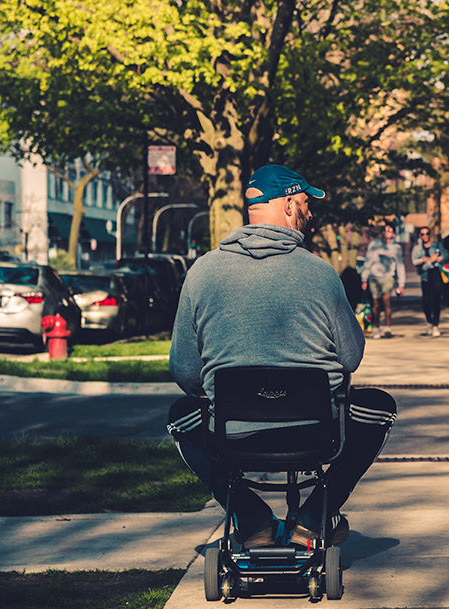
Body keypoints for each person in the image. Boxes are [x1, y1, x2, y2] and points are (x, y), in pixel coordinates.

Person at [169, 164, 397, 550]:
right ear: (290, 205)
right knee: (379, 407)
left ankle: (252, 519)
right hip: (314, 432)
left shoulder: (202, 271)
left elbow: (185, 370)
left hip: (231, 434)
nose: (310, 213)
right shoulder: (321, 274)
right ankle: (314, 518)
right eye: (306, 203)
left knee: (180, 417)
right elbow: (352, 356)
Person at [360, 222, 406, 338]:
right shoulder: (374, 244)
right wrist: (364, 278)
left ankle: (388, 327)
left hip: (388, 277)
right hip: (374, 277)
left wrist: (401, 284)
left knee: (386, 301)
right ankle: (376, 327)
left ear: (394, 234)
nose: (386, 232)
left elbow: (400, 265)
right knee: (375, 304)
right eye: (385, 230)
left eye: (389, 230)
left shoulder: (396, 248)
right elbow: (368, 261)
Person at [411, 226, 449, 337]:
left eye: (427, 233)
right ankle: (429, 322)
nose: (425, 236)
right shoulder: (417, 249)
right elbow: (415, 262)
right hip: (425, 277)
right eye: (422, 234)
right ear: (420, 236)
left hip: (436, 275)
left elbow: (445, 255)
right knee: (426, 301)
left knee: (436, 300)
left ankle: (435, 325)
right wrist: (429, 261)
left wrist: (432, 259)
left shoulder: (437, 245)